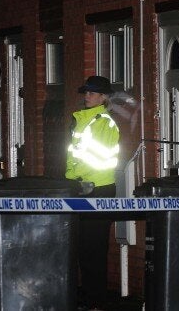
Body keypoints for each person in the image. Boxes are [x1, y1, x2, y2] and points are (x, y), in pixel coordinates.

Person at [66, 76, 120, 309]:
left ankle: (96, 301)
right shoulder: (83, 120)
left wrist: (79, 180)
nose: (87, 96)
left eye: (92, 93)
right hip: (81, 188)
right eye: (85, 92)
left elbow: (97, 159)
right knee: (81, 248)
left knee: (94, 249)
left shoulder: (104, 122)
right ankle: (89, 299)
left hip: (97, 189)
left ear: (103, 97)